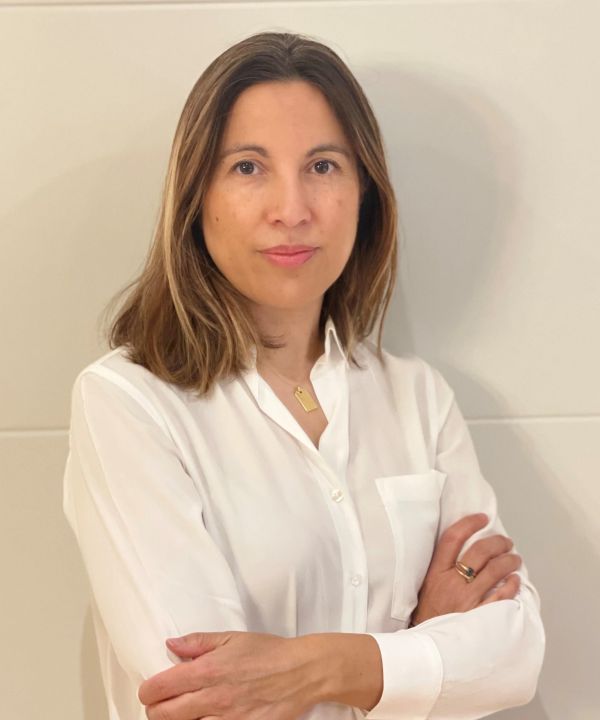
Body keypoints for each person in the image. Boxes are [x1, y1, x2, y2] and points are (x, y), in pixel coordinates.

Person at [63, 31, 545, 720]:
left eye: (322, 166)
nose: (291, 210)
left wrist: (325, 669)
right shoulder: (129, 404)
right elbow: (201, 696)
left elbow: (516, 653)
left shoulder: (420, 398)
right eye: (248, 167)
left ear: (364, 191)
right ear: (197, 195)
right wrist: (421, 652)